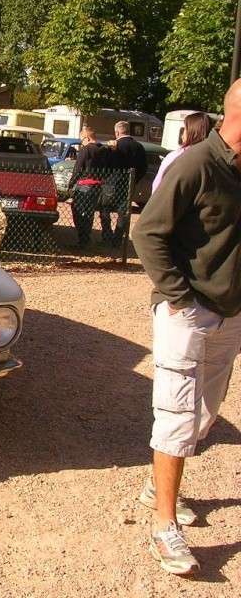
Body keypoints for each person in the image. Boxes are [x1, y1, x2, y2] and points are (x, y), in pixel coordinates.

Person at [132, 79, 241, 576]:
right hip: (187, 310)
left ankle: (159, 483)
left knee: (204, 414)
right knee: (176, 415)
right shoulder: (195, 163)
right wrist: (178, 299)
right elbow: (147, 232)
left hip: (230, 314)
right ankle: (164, 525)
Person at [100, 120, 146, 247]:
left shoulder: (115, 146)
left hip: (112, 182)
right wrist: (135, 179)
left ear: (117, 132)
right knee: (123, 212)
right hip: (129, 184)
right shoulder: (139, 147)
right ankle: (117, 239)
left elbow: (107, 165)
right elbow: (144, 168)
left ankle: (107, 236)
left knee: (105, 208)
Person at [67, 126, 113, 248]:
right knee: (89, 212)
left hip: (84, 184)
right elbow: (109, 168)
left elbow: (78, 168)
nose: (81, 142)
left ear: (86, 138)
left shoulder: (85, 150)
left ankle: (82, 237)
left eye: (81, 140)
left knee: (77, 210)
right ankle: (85, 238)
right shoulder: (104, 150)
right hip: (98, 185)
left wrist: (71, 184)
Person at [151, 112, 213, 193]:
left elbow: (157, 186)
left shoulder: (176, 156)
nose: (182, 134)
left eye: (185, 129)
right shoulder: (212, 157)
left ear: (192, 131)